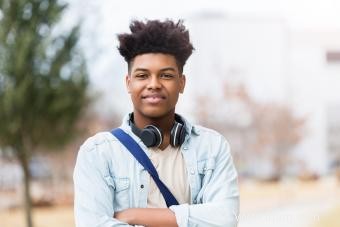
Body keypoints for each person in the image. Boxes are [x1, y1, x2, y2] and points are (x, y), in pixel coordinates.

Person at [73, 19, 239, 227]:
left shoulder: (212, 147)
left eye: (166, 75)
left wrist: (135, 216)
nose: (154, 84)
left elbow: (225, 219)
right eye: (142, 75)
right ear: (128, 83)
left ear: (182, 83)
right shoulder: (97, 153)